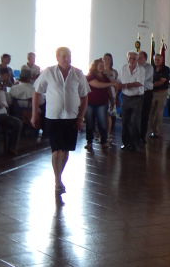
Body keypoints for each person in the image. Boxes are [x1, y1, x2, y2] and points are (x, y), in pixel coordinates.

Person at [31, 47, 90, 194]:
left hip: (71, 117)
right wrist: (34, 114)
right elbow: (37, 92)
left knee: (65, 150)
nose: (66, 59)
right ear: (57, 57)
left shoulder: (78, 74)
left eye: (68, 56)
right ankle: (57, 180)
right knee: (56, 149)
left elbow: (84, 97)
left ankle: (59, 176)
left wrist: (81, 117)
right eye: (63, 56)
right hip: (53, 116)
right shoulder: (48, 72)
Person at [115, 51, 145, 150]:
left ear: (137, 60)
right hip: (125, 97)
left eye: (134, 58)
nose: (132, 60)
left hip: (137, 98)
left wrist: (124, 85)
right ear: (127, 59)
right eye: (130, 58)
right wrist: (116, 97)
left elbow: (139, 83)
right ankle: (126, 143)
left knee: (135, 121)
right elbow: (118, 83)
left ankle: (134, 144)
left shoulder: (141, 69)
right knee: (125, 121)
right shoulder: (123, 68)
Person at [84, 58, 113, 151]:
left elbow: (108, 89)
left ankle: (104, 141)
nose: (102, 67)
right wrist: (112, 83)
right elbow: (97, 85)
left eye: (103, 65)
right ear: (95, 66)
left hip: (102, 103)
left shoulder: (105, 77)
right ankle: (89, 142)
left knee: (102, 122)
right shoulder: (90, 76)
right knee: (90, 123)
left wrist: (112, 100)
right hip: (90, 102)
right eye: (100, 65)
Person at [147, 53, 170, 139]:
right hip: (152, 93)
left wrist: (150, 86)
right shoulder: (151, 68)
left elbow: (162, 81)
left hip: (162, 93)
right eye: (155, 60)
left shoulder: (166, 69)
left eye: (158, 59)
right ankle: (152, 130)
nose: (156, 61)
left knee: (158, 112)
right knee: (151, 112)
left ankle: (156, 131)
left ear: (162, 60)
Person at [137, 50, 154, 144]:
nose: (138, 59)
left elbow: (142, 79)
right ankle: (135, 135)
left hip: (146, 93)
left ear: (145, 59)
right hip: (136, 93)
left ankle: (142, 136)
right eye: (137, 57)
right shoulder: (134, 67)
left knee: (144, 115)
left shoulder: (149, 67)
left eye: (140, 58)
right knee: (136, 115)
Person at [103, 53, 118, 139]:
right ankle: (101, 133)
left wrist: (115, 96)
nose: (107, 61)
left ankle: (107, 134)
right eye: (105, 59)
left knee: (109, 114)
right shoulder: (100, 71)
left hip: (111, 94)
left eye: (109, 59)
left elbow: (116, 85)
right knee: (102, 115)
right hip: (102, 93)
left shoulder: (114, 72)